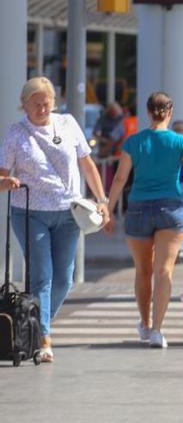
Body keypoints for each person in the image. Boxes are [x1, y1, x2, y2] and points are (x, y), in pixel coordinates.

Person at [0, 77, 110, 362]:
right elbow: (0, 175)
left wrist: (102, 199)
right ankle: (44, 338)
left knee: (64, 278)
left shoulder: (68, 124)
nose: (41, 108)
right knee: (43, 275)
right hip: (30, 212)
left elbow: (87, 163)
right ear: (23, 105)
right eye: (35, 104)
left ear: (54, 102)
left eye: (46, 103)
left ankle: (36, 325)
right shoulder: (16, 133)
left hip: (69, 213)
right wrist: (7, 182)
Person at [105, 92, 183, 349]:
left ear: (148, 112)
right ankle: (158, 331)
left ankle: (145, 323)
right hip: (170, 209)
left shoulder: (133, 142)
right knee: (164, 271)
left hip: (137, 209)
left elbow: (119, 179)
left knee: (143, 271)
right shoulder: (181, 142)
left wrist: (108, 209)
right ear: (169, 112)